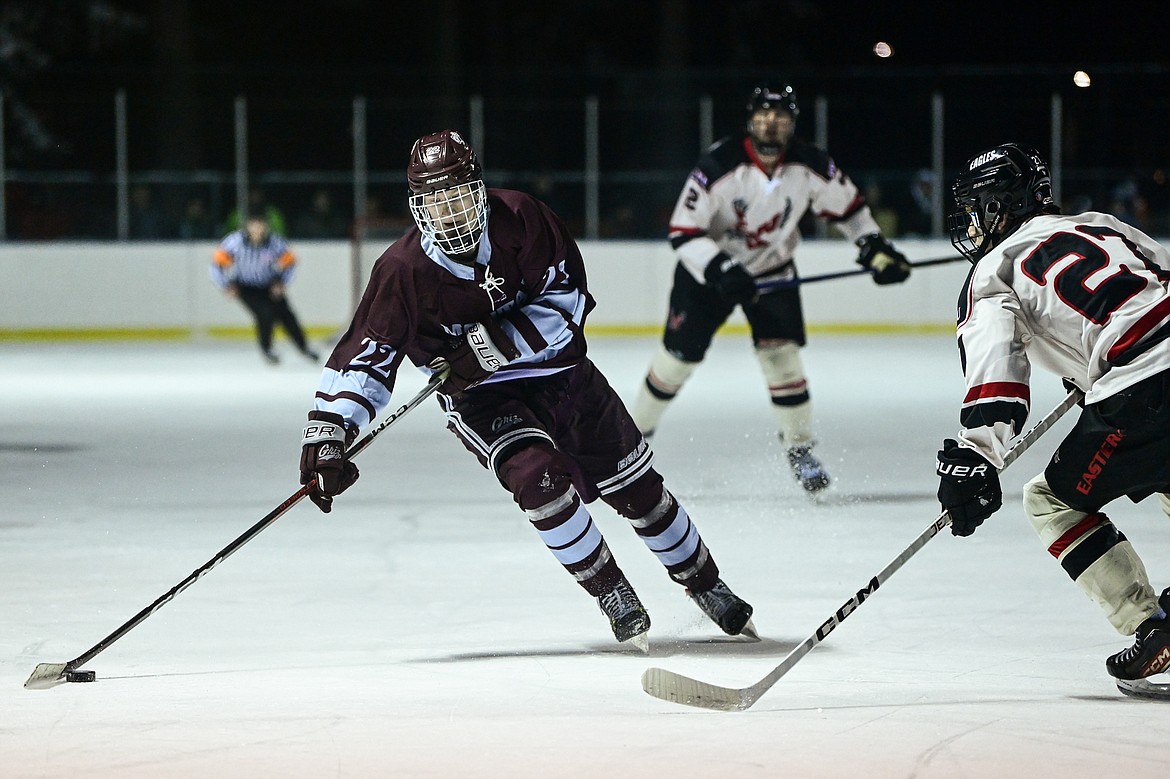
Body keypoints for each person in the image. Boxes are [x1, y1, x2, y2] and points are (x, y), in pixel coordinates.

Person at [296, 129, 756, 649]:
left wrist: (492, 345)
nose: (449, 212)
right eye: (435, 201)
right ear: (418, 209)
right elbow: (366, 355)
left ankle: (706, 584)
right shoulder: (402, 272)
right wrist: (329, 434)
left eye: (457, 195)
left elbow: (569, 300)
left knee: (639, 491)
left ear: (478, 191)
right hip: (485, 400)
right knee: (537, 479)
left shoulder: (523, 219)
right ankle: (611, 591)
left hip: (564, 376)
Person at [935, 142, 1170, 684]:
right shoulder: (1103, 224)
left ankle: (1150, 626)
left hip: (1144, 384)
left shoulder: (994, 268)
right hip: (1145, 364)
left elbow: (997, 367)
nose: (971, 223)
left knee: (1050, 501)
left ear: (998, 207)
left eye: (976, 209)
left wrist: (977, 454)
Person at [630, 84, 912, 494]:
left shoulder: (810, 163)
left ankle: (799, 449)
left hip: (772, 271)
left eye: (780, 115)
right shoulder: (719, 164)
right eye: (763, 113)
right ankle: (632, 437)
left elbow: (850, 211)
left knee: (782, 359)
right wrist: (722, 268)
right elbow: (683, 232)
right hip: (706, 275)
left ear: (792, 122)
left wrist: (873, 246)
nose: (771, 121)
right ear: (750, 119)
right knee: (676, 361)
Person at [211, 214, 319, 364]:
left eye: (260, 224)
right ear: (247, 226)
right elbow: (216, 263)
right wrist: (225, 285)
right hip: (245, 286)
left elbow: (291, 262)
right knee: (265, 313)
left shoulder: (274, 242)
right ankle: (267, 348)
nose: (257, 229)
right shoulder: (235, 242)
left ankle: (304, 347)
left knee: (287, 315)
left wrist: (282, 282)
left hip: (269, 284)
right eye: (254, 224)